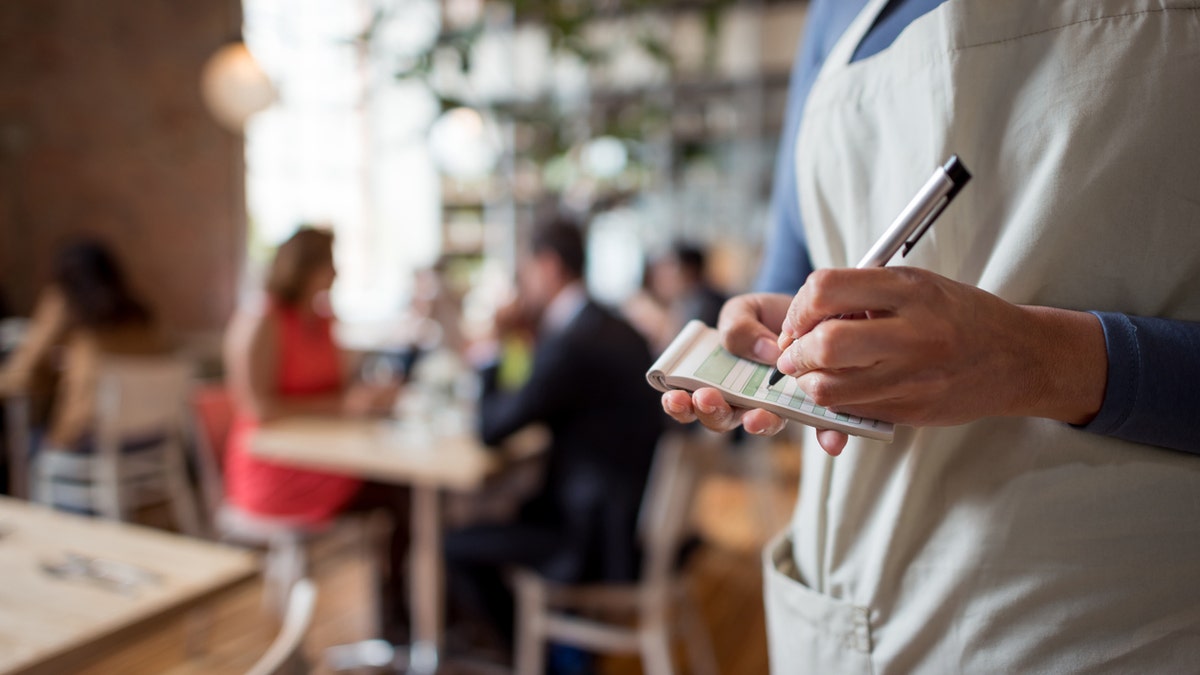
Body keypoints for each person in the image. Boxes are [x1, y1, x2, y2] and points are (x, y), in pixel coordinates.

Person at [662, 0, 1200, 671]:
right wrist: (775, 319)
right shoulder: (833, 15)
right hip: (843, 608)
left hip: (1109, 624)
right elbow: (796, 269)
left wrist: (1041, 361)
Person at [444, 219, 663, 655]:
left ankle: (536, 661)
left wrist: (492, 345)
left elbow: (492, 429)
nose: (521, 285)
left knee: (454, 545)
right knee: (507, 507)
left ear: (547, 266)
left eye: (524, 273)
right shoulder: (614, 326)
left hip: (592, 539)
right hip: (629, 520)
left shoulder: (571, 342)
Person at [222, 226, 409, 639]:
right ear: (304, 268)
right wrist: (341, 406)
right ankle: (398, 624)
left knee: (404, 493)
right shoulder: (263, 319)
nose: (337, 272)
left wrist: (367, 399)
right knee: (399, 498)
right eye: (330, 262)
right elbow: (257, 408)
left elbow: (339, 391)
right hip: (274, 469)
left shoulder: (324, 319)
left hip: (324, 459)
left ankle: (402, 621)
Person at [0, 239, 170, 452]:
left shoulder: (65, 304)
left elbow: (22, 372)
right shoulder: (138, 314)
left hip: (90, 436)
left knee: (29, 444)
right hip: (151, 435)